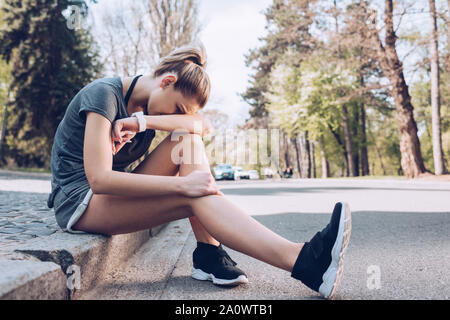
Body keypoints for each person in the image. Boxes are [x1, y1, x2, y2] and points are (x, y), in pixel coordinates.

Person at [47, 45, 352, 299]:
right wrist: (183, 187)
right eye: (178, 109)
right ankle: (302, 261)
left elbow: (200, 126)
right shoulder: (103, 95)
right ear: (167, 82)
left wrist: (143, 123)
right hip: (79, 204)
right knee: (194, 193)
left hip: (107, 197)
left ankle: (209, 253)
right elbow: (100, 180)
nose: (177, 117)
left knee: (188, 142)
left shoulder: (142, 111)